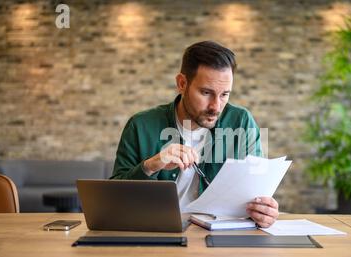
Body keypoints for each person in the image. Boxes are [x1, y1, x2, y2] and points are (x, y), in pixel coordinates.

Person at [111, 41, 279, 228]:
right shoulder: (140, 125)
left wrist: (264, 211)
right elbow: (112, 201)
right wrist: (150, 166)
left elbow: (257, 190)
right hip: (157, 233)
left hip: (222, 238)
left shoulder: (241, 122)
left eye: (224, 94)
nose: (216, 107)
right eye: (206, 92)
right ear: (182, 84)